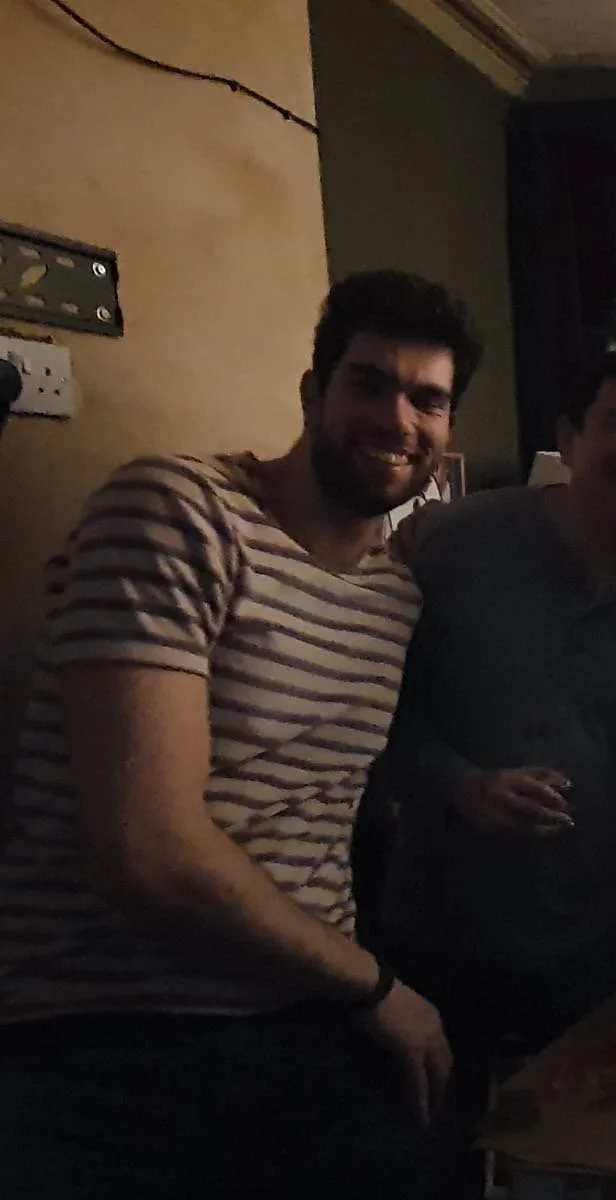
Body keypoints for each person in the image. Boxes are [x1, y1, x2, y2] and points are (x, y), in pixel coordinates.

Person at [0, 269, 480, 1199]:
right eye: (369, 383)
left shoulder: (396, 598)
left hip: (311, 1022)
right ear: (313, 392)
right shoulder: (178, 512)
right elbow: (148, 853)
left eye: (428, 399)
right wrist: (380, 991)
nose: (397, 418)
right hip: (112, 1027)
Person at [380, 341, 616, 1181]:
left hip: (593, 953)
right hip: (435, 939)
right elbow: (369, 710)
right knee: (421, 1162)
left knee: (582, 1162)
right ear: (568, 437)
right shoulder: (448, 546)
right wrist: (457, 786)